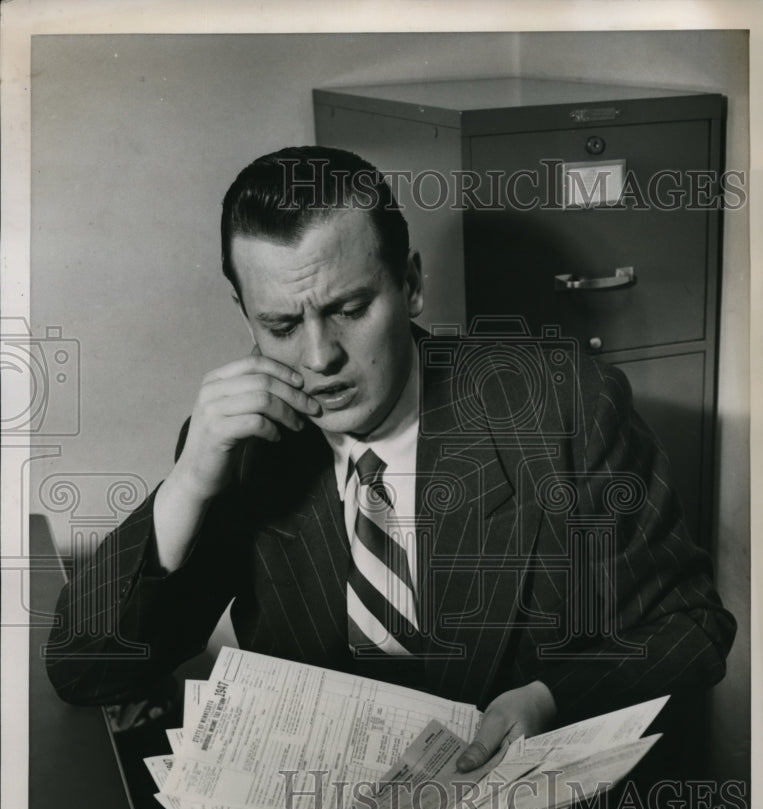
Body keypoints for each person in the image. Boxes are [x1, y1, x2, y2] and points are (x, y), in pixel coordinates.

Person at [45, 145, 736, 775]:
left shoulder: (560, 408)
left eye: (349, 308)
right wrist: (189, 484)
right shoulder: (244, 449)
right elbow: (87, 672)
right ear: (245, 314)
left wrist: (549, 698)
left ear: (408, 286)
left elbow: (689, 630)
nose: (319, 359)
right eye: (280, 326)